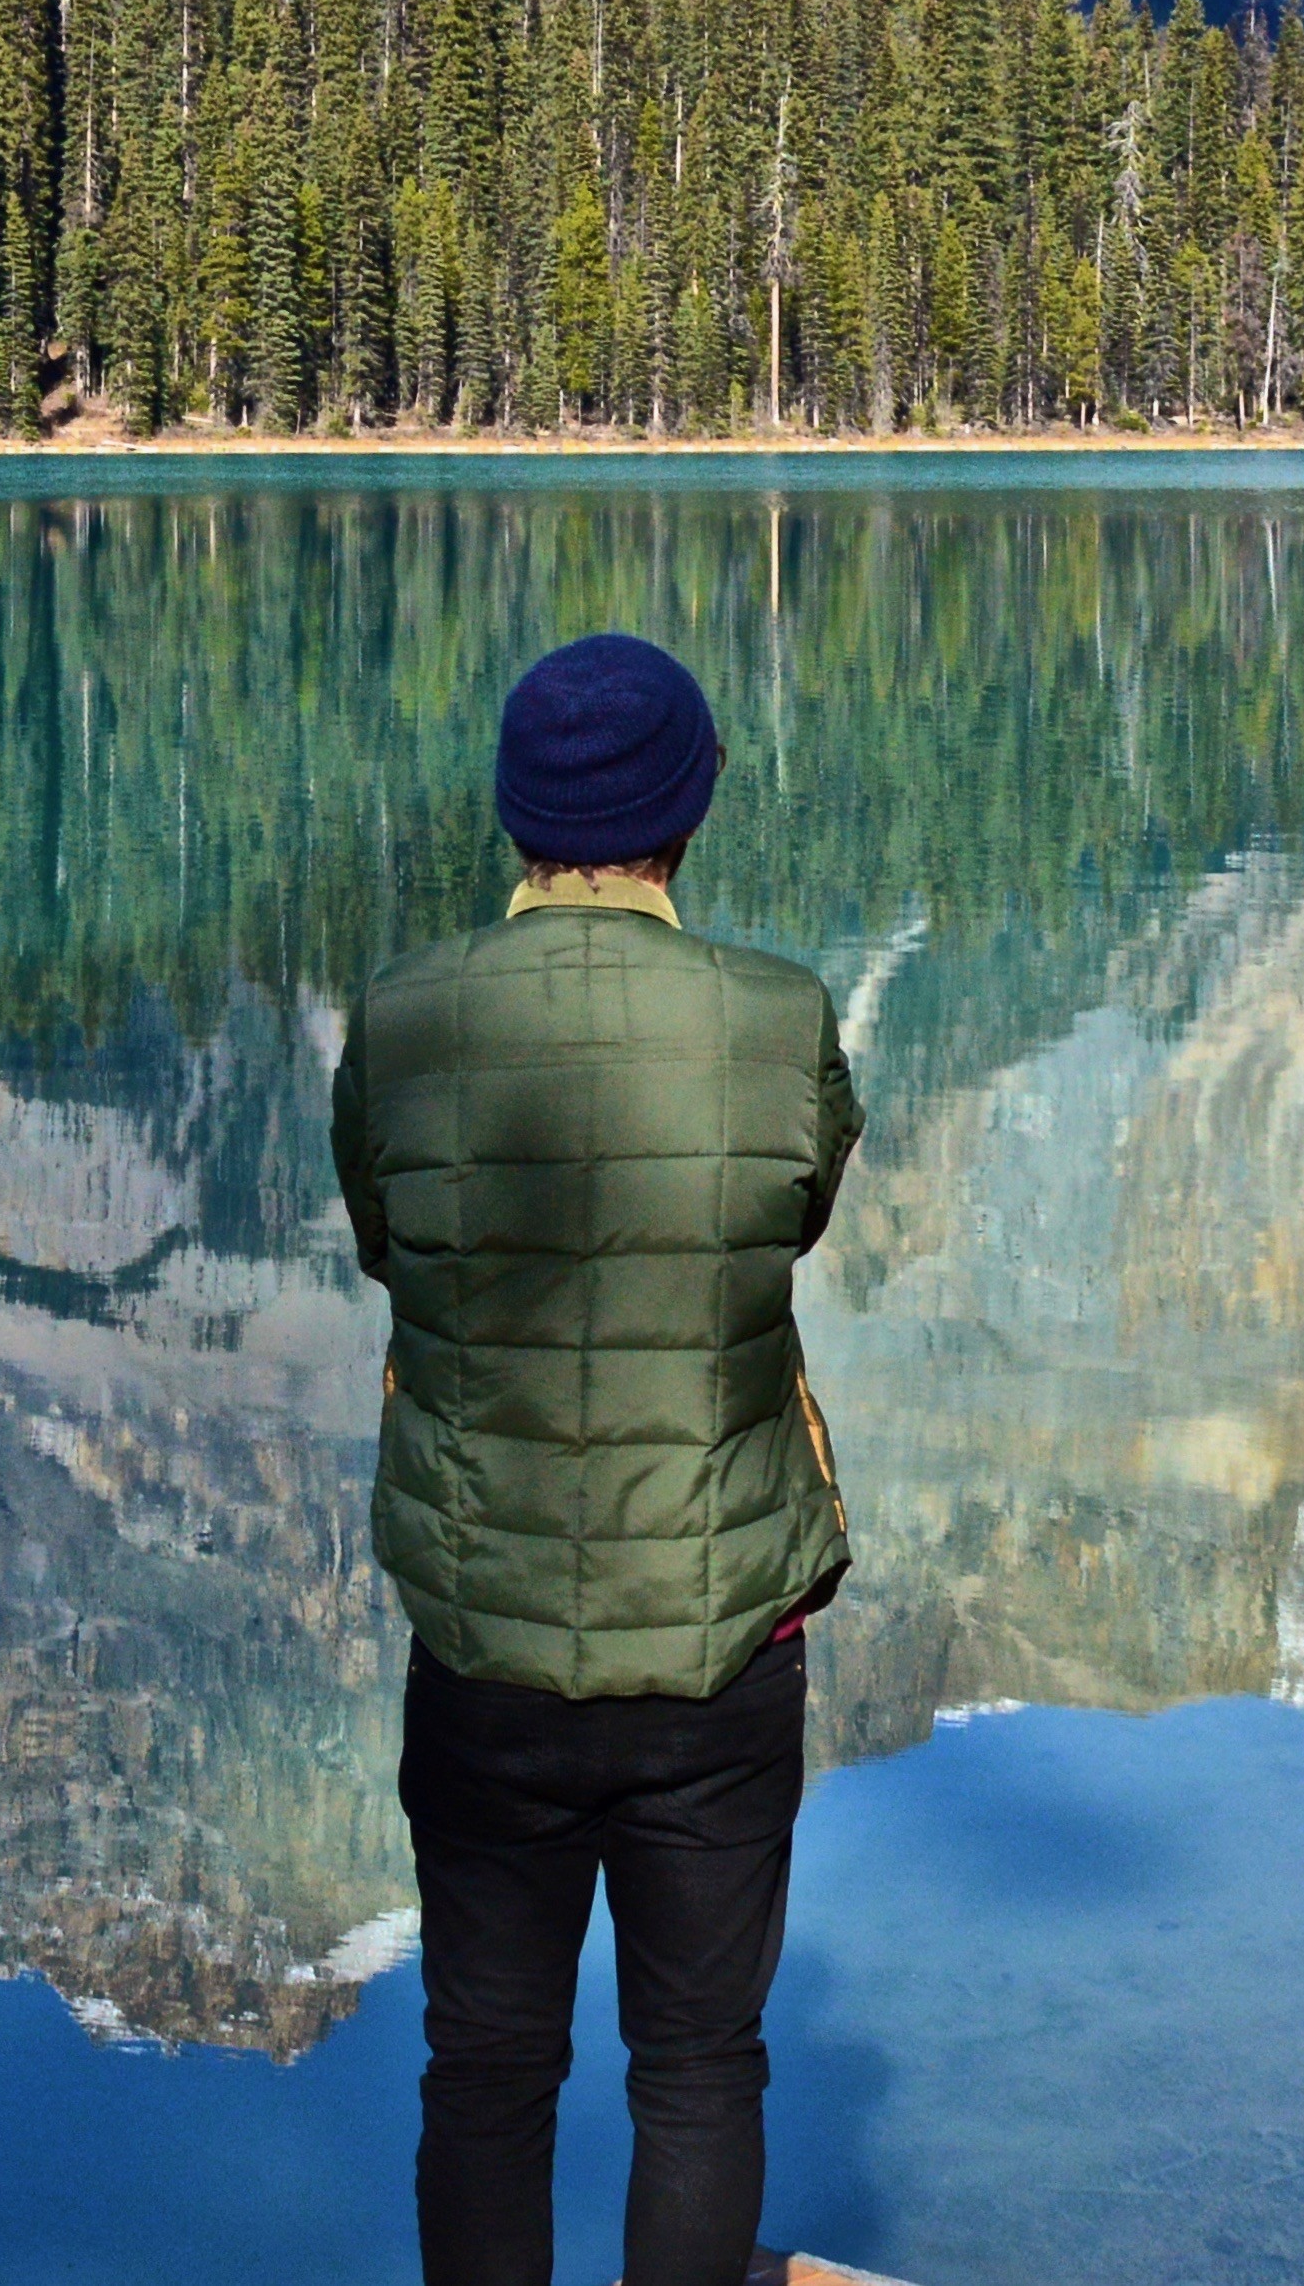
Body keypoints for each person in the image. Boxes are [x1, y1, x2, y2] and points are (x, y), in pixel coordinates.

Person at [334, 629, 862, 2286]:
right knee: (698, 2067)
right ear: (686, 810)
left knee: (487, 2068)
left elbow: (384, 1242)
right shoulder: (777, 1018)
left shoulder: (402, 1018)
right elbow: (796, 1211)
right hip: (718, 1650)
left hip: (485, 1655)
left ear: (512, 819)